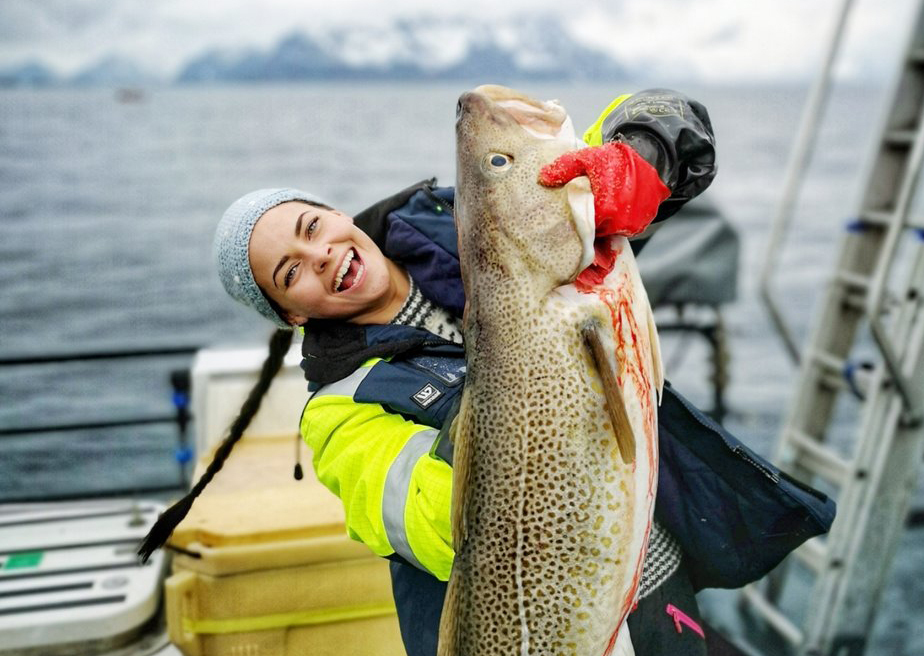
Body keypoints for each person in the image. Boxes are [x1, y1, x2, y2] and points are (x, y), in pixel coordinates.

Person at [139, 88, 836, 656]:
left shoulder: (485, 219)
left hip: (657, 586)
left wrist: (636, 155)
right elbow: (430, 522)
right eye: (289, 272)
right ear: (290, 314)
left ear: (335, 215)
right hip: (530, 626)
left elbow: (666, 113)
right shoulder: (336, 415)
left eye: (311, 228)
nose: (318, 256)